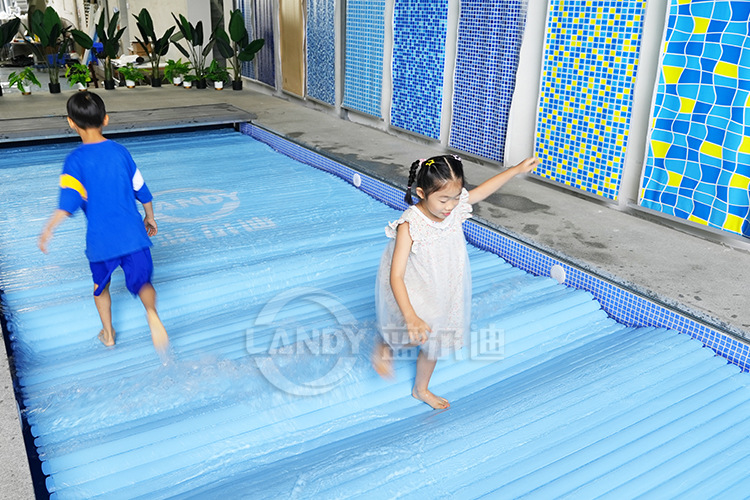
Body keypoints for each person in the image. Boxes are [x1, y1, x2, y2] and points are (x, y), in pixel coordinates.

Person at [372, 154, 540, 409]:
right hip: (414, 285)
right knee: (416, 333)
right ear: (421, 193)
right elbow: (396, 275)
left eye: (456, 196)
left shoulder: (455, 206)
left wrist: (515, 170)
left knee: (435, 339)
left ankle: (421, 389)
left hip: (444, 285)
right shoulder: (410, 224)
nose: (450, 206)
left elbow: (482, 191)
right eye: (443, 199)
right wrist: (410, 315)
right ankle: (386, 345)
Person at [38, 91, 169, 357]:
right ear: (106, 119)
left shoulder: (74, 161)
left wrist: (48, 229)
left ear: (71, 122)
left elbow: (68, 202)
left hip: (101, 242)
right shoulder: (121, 152)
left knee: (101, 289)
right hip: (133, 236)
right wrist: (150, 217)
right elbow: (141, 189)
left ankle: (108, 335)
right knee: (143, 283)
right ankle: (152, 315)